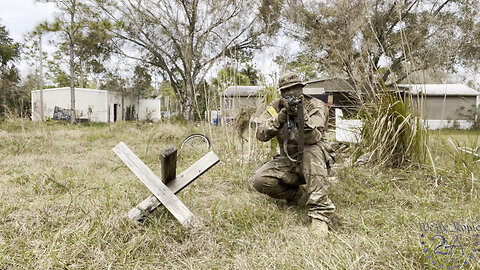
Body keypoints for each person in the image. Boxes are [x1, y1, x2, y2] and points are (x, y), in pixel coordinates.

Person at [251, 73, 335, 237]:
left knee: (312, 150)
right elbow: (260, 134)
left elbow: (314, 137)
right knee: (260, 180)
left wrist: (300, 117)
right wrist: (280, 118)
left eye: (295, 88)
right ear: (281, 93)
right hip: (289, 159)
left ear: (302, 89)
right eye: (286, 90)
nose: (291, 93)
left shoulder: (315, 105)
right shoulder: (274, 108)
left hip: (315, 159)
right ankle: (295, 194)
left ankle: (320, 213)